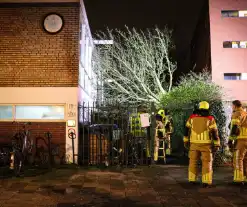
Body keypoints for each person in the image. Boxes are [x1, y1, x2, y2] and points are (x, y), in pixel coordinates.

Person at [183, 101, 220, 187]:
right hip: (206, 145)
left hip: (193, 144)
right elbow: (214, 133)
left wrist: (185, 140)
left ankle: (192, 179)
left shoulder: (191, 118)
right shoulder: (210, 119)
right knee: (206, 163)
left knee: (192, 162)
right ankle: (206, 181)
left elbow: (186, 130)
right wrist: (216, 144)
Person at [228, 100, 247, 184]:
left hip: (240, 140)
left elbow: (234, 128)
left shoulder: (236, 114)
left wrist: (230, 140)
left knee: (238, 159)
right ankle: (245, 178)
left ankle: (239, 179)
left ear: (234, 106)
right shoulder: (245, 113)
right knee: (245, 160)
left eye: (232, 106)